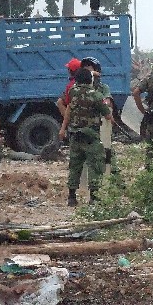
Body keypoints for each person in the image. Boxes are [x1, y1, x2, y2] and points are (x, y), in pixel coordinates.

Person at [59, 68, 112, 206]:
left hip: (75, 134)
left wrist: (63, 128)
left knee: (75, 166)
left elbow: (69, 107)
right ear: (90, 80)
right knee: (95, 164)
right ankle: (94, 198)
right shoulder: (97, 96)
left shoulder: (72, 92)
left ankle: (71, 197)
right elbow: (107, 114)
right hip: (91, 136)